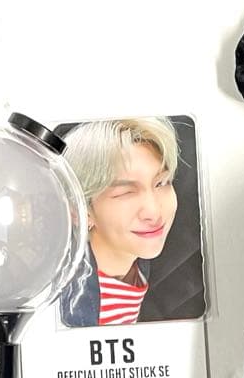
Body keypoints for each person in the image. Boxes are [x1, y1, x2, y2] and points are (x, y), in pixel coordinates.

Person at [59, 117, 179, 327]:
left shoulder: (138, 260)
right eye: (126, 193)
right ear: (80, 211)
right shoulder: (68, 306)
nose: (153, 212)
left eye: (161, 183)